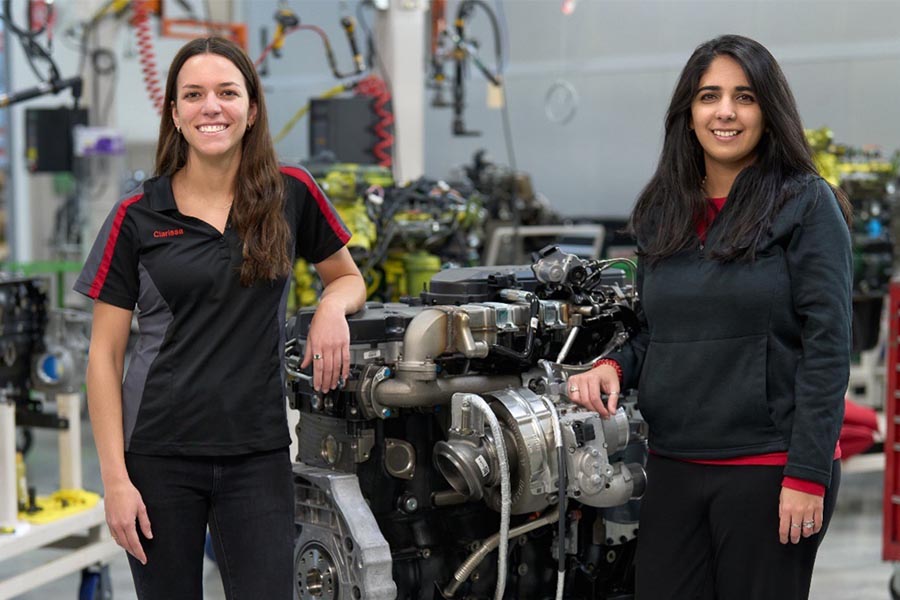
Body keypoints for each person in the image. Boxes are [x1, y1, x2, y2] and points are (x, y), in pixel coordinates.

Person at [75, 37, 366, 599]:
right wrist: (114, 480)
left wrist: (332, 305)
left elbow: (349, 276)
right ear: (176, 114)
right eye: (194, 94)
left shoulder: (290, 192)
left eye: (227, 92)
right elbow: (104, 357)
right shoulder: (137, 216)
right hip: (157, 455)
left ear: (251, 109)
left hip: (255, 453)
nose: (212, 106)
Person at [566, 34, 851, 600]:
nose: (726, 112)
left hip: (770, 469)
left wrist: (807, 474)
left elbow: (828, 347)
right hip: (673, 464)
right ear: (688, 113)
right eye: (709, 96)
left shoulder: (806, 204)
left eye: (744, 97)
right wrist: (613, 368)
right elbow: (656, 331)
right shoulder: (662, 211)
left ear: (768, 112)